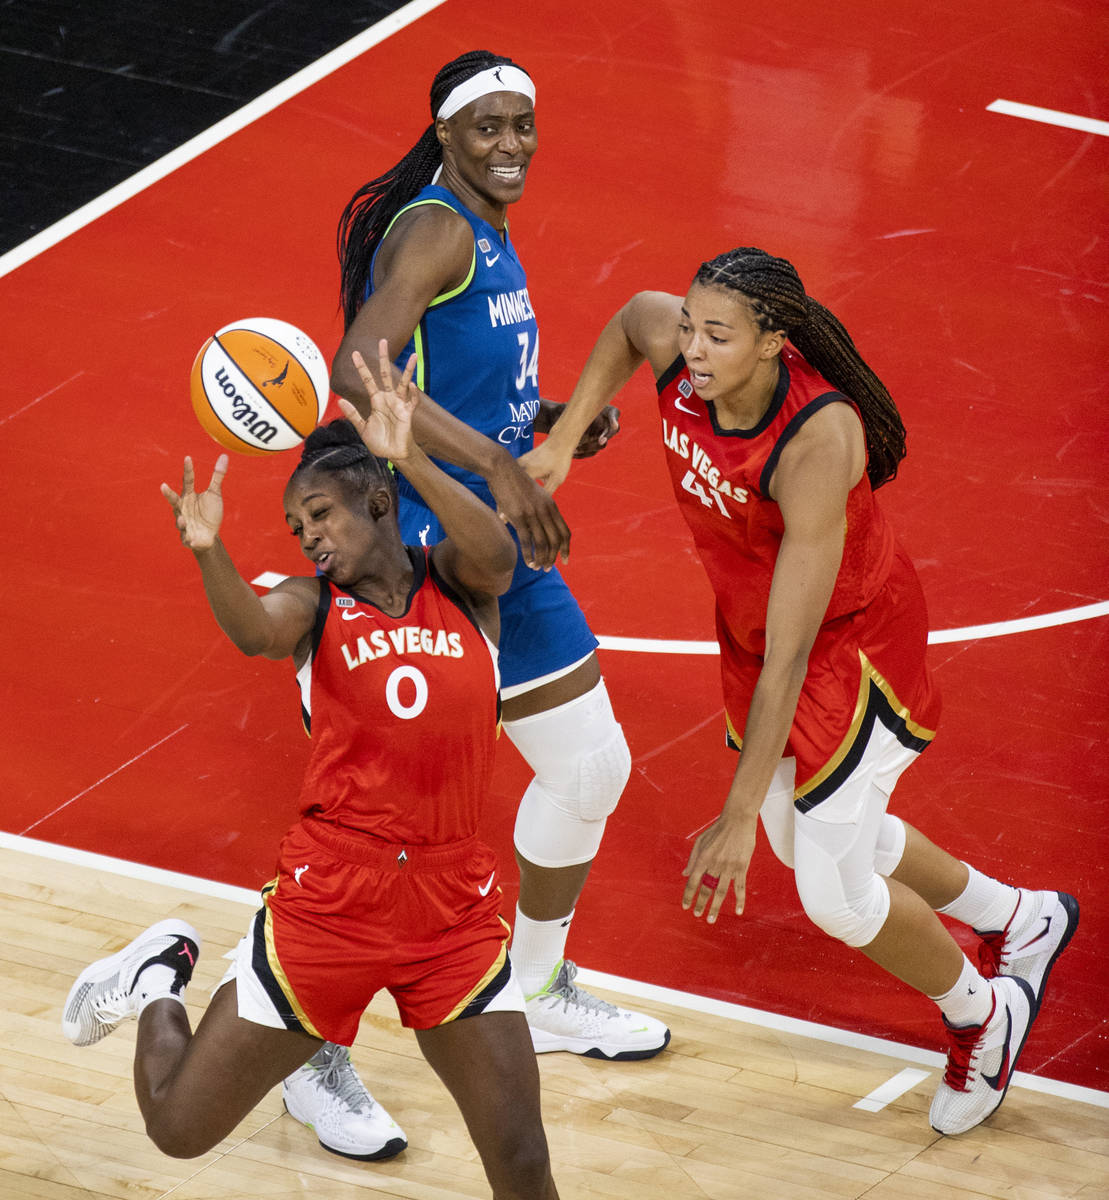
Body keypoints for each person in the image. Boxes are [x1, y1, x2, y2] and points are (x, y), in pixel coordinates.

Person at [520, 246, 1080, 1136]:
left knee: (830, 890)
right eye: (692, 328)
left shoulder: (817, 440)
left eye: (717, 335)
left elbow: (793, 655)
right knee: (806, 830)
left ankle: (984, 1015)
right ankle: (1017, 917)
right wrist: (561, 441)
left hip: (847, 653)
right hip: (758, 631)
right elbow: (633, 316)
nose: (692, 349)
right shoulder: (679, 350)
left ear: (775, 340)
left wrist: (734, 812)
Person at [282, 49, 670, 1159]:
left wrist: (540, 421)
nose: (510, 144)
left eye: (523, 125)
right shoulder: (435, 227)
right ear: (445, 136)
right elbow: (361, 369)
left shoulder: (483, 231)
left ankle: (537, 985)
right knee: (375, 830)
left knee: (589, 763)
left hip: (490, 544)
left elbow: (452, 379)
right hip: (411, 551)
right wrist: (496, 473)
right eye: (487, 127)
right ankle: (312, 1055)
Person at [62, 344, 560, 1198]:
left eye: (321, 514)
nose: (310, 537)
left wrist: (409, 459)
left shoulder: (457, 582)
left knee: (519, 1158)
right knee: (178, 1130)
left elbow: (502, 557)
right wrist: (208, 550)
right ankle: (155, 982)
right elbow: (254, 629)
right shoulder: (312, 606)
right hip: (331, 902)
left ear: (378, 500)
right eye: (299, 527)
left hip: (452, 911)